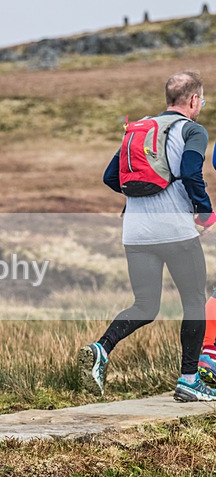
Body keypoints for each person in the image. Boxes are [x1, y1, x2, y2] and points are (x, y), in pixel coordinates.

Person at [78, 71, 216, 402]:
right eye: (202, 100)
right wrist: (204, 210)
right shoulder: (192, 130)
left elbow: (110, 177)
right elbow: (191, 171)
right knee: (194, 302)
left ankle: (102, 347)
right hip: (176, 231)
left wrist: (143, 198)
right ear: (193, 100)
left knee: (145, 305)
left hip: (136, 232)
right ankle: (189, 380)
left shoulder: (140, 129)